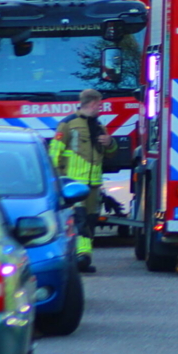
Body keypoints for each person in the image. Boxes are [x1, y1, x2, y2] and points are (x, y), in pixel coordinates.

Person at [48, 88, 116, 273]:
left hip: (94, 185)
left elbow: (110, 154)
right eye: (99, 104)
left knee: (91, 220)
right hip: (73, 185)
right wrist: (56, 181)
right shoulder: (68, 124)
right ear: (92, 103)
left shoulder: (100, 127)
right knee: (78, 221)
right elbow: (54, 154)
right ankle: (81, 257)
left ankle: (84, 257)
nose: (101, 107)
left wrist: (110, 143)